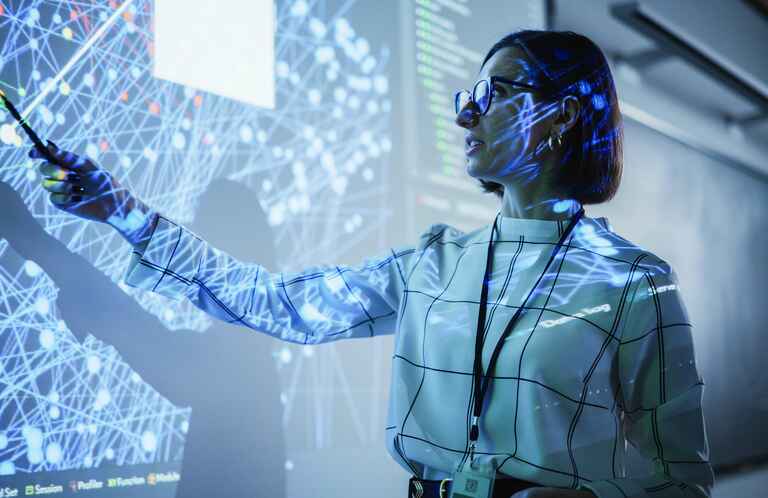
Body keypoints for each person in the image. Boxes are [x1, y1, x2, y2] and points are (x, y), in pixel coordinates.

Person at [30, 30, 714, 498]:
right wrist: (123, 211)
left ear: (561, 116)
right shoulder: (435, 263)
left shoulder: (635, 285)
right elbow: (278, 305)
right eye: (465, 99)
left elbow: (680, 479)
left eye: (494, 94)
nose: (466, 116)